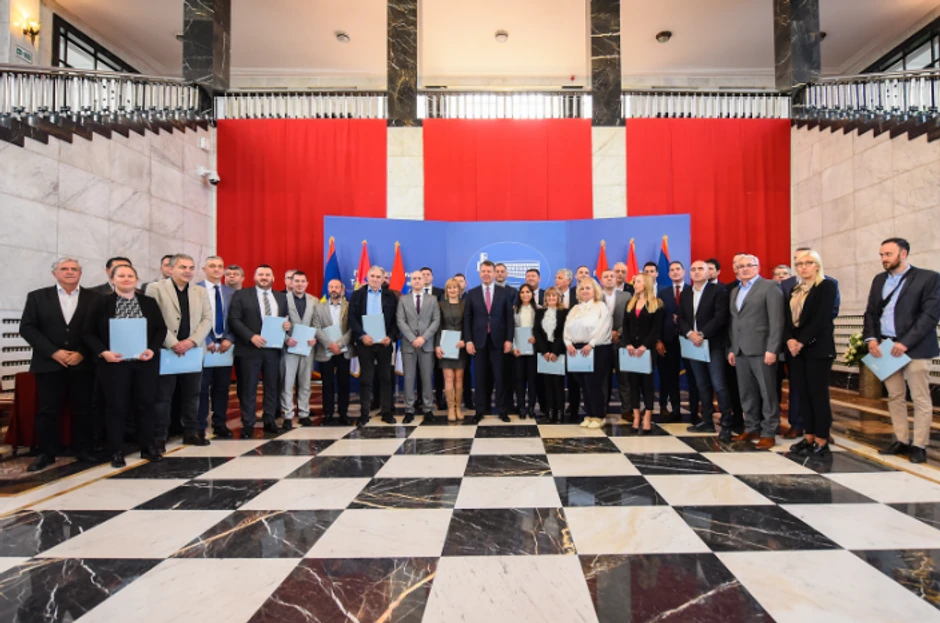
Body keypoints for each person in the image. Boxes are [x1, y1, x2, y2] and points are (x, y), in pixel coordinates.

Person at [865, 238, 940, 464]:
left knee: (920, 397)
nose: (883, 259)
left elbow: (930, 315)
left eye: (888, 254)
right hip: (886, 347)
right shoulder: (879, 280)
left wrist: (906, 343)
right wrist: (872, 338)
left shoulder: (928, 278)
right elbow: (871, 312)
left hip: (915, 347)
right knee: (895, 396)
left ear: (903, 254)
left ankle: (919, 445)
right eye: (881, 255)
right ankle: (901, 440)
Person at [20, 258, 99, 471]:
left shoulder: (95, 298)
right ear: (54, 273)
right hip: (49, 363)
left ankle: (83, 449)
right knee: (48, 410)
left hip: (82, 364)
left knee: (83, 408)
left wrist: (82, 353)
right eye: (64, 269)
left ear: (80, 273)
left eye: (74, 269)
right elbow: (27, 328)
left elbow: (100, 328)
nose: (69, 272)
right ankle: (46, 453)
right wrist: (53, 352)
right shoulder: (37, 297)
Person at [84, 264, 166, 467]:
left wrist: (152, 349)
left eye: (130, 275)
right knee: (116, 407)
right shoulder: (101, 302)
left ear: (136, 280)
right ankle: (116, 451)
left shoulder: (148, 302)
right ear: (112, 280)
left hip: (144, 363)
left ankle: (148, 447)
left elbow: (160, 329)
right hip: (114, 364)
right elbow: (88, 332)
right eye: (121, 276)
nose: (126, 279)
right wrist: (104, 352)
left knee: (146, 404)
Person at [148, 254, 212, 449]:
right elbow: (154, 319)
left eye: (191, 268)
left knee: (192, 395)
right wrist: (173, 343)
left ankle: (191, 432)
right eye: (183, 267)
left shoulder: (200, 291)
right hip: (167, 351)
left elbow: (207, 319)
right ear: (171, 269)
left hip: (193, 351)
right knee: (163, 397)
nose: (188, 271)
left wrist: (191, 341)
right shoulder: (156, 288)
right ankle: (159, 436)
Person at [779, 247, 841, 438]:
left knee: (818, 395)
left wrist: (802, 341)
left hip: (817, 348)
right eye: (799, 264)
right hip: (796, 349)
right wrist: (789, 339)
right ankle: (809, 437)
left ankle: (821, 439)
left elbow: (822, 317)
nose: (803, 267)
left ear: (817, 265)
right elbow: (786, 319)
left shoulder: (826, 286)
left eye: (808, 263)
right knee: (802, 394)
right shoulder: (795, 290)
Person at [728, 254, 784, 449]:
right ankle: (752, 427)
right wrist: (732, 348)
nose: (744, 269)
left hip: (762, 349)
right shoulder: (735, 291)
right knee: (746, 393)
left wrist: (772, 349)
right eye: (741, 266)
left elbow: (777, 321)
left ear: (757, 267)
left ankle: (769, 432)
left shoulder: (769, 287)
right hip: (740, 350)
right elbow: (734, 322)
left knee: (767, 393)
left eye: (749, 265)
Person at [229, 265, 290, 439]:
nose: (264, 277)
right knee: (248, 387)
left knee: (272, 386)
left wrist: (287, 325)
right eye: (261, 274)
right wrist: (251, 336)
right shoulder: (241, 295)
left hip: (273, 349)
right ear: (254, 277)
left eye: (267, 274)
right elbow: (234, 320)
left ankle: (269, 419)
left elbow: (285, 319)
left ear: (273, 278)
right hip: (249, 349)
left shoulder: (281, 297)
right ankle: (248, 423)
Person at [678, 260, 733, 439]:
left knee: (719, 384)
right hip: (693, 344)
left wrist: (701, 334)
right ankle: (707, 421)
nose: (696, 272)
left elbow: (720, 317)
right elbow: (681, 318)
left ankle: (726, 424)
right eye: (693, 269)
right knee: (702, 384)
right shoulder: (686, 293)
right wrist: (689, 333)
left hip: (713, 344)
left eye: (700, 269)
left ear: (708, 272)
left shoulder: (718, 290)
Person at [464, 260, 514, 422]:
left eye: (489, 271)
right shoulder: (472, 293)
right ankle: (480, 410)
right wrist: (468, 341)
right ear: (480, 273)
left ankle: (502, 410)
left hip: (498, 341)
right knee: (480, 378)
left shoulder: (504, 293)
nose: (486, 274)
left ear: (493, 273)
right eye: (483, 271)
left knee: (500, 377)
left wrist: (509, 339)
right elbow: (467, 319)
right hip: (479, 342)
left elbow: (509, 318)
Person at [349, 266, 399, 425]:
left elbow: (396, 320)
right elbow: (352, 318)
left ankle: (386, 412)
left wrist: (390, 337)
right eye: (373, 276)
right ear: (367, 277)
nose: (375, 279)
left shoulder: (390, 296)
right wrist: (362, 336)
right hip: (365, 343)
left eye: (379, 277)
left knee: (386, 378)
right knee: (366, 378)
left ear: (383, 279)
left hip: (384, 343)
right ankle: (364, 413)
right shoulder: (358, 295)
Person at [564, 277, 614, 429]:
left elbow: (603, 328)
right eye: (582, 288)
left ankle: (599, 416)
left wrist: (591, 343)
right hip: (577, 349)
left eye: (588, 288)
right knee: (583, 384)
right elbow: (566, 328)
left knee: (594, 384)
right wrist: (568, 343)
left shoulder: (601, 307)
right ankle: (589, 414)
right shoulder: (575, 308)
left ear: (595, 290)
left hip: (596, 348)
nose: (584, 291)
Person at [197, 255, 235, 439]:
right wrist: (206, 340)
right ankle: (200, 425)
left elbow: (236, 318)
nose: (216, 269)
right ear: (204, 269)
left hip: (225, 347)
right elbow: (194, 318)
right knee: (201, 388)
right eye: (212, 266)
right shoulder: (195, 290)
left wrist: (229, 338)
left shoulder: (231, 292)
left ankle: (220, 423)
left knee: (222, 388)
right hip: (204, 346)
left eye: (220, 266)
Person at [621, 273, 663, 434]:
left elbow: (656, 329)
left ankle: (647, 417)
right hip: (631, 350)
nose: (635, 284)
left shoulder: (656, 304)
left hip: (647, 351)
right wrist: (628, 343)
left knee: (647, 384)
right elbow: (625, 326)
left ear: (646, 284)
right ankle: (636, 416)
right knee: (633, 384)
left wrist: (645, 345)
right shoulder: (630, 303)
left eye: (638, 281)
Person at [397, 270, 441, 423]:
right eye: (414, 278)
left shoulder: (433, 299)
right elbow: (400, 321)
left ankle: (428, 409)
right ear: (410, 281)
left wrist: (423, 338)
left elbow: (436, 321)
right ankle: (409, 410)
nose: (417, 281)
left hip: (426, 344)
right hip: (408, 345)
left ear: (424, 281)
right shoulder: (403, 300)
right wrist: (412, 338)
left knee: (427, 378)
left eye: (419, 278)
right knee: (409, 378)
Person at [281, 271, 319, 430]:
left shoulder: (314, 301)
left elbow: (317, 323)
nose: (299, 284)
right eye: (296, 281)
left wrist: (315, 338)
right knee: (287, 383)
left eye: (303, 281)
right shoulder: (282, 299)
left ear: (307, 283)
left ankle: (304, 413)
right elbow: (278, 322)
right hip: (289, 347)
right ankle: (287, 415)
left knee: (305, 383)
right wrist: (285, 338)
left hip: (307, 347)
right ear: (291, 282)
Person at [313, 279, 353, 426]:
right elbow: (316, 328)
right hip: (325, 350)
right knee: (327, 384)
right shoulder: (319, 307)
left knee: (344, 383)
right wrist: (330, 344)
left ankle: (343, 413)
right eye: (331, 287)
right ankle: (328, 414)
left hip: (344, 350)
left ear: (342, 289)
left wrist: (340, 344)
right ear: (328, 289)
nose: (334, 289)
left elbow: (352, 328)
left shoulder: (349, 306)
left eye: (337, 287)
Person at [657, 260, 693, 423]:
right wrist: (658, 340)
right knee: (670, 376)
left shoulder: (691, 290)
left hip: (690, 339)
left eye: (678, 269)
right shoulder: (663, 293)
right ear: (669, 274)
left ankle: (695, 411)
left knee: (694, 376)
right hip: (668, 340)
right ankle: (674, 409)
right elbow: (658, 318)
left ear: (684, 272)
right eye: (672, 270)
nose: (675, 272)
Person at [435, 277, 468, 421]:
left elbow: (468, 324)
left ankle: (458, 407)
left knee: (459, 378)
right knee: (448, 378)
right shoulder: (441, 305)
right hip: (445, 345)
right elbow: (438, 327)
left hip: (460, 345)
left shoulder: (465, 304)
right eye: (450, 288)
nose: (452, 290)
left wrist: (465, 340)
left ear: (459, 290)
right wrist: (437, 345)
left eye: (455, 287)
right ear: (446, 291)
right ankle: (450, 409)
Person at [601, 269, 631, 421]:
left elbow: (630, 319)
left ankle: (626, 409)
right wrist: (607, 333)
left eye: (611, 276)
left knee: (624, 378)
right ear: (601, 280)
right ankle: (602, 409)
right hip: (602, 342)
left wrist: (618, 333)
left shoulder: (626, 296)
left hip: (621, 341)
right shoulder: (595, 296)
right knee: (603, 378)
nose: (609, 279)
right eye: (606, 276)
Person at [534, 287, 568, 423]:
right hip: (544, 351)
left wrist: (555, 351)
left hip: (558, 350)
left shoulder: (564, 312)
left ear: (558, 298)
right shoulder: (540, 312)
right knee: (546, 383)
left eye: (554, 296)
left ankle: (559, 412)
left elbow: (564, 332)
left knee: (558, 383)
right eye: (549, 296)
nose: (551, 298)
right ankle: (549, 411)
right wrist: (544, 351)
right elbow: (536, 332)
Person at [417, 267, 447, 411]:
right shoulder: (413, 293)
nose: (425, 277)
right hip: (420, 338)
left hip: (436, 336)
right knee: (420, 370)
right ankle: (420, 398)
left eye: (428, 274)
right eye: (422, 275)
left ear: (432, 277)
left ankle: (439, 397)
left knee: (438, 370)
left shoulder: (440, 293)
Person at [512, 284, 539, 419]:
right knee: (519, 379)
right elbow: (511, 330)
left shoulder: (539, 309)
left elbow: (542, 330)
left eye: (528, 292)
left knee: (533, 380)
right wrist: (514, 347)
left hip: (533, 350)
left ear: (532, 294)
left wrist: (536, 338)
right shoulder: (514, 310)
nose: (525, 294)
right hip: (518, 350)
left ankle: (532, 407)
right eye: (522, 292)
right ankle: (521, 407)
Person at [453, 273, 474, 410]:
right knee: (450, 373)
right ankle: (452, 400)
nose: (459, 284)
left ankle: (467, 399)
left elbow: (472, 321)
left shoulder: (470, 298)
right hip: (449, 342)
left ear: (465, 284)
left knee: (465, 372)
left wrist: (466, 339)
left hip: (465, 340)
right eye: (456, 281)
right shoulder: (445, 298)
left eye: (461, 281)